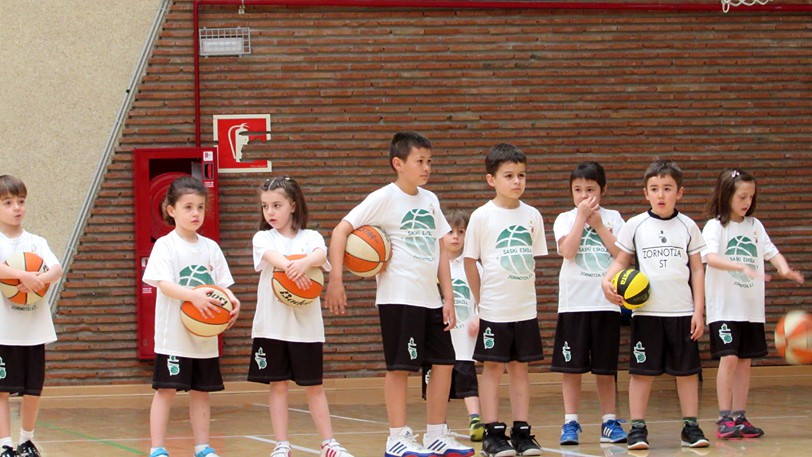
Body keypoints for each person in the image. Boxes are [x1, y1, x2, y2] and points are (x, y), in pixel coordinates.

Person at [325, 132, 473, 457]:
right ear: (398, 163)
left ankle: (436, 434)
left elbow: (440, 252)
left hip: (430, 300)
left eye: (429, 161)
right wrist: (336, 279)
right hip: (398, 298)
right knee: (400, 368)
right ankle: (396, 437)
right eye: (420, 161)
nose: (426, 167)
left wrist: (448, 298)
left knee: (445, 363)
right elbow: (341, 230)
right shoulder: (384, 198)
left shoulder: (431, 199)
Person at [602, 159, 710, 451]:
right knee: (641, 373)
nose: (661, 194)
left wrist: (699, 311)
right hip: (647, 313)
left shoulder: (689, 226)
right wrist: (605, 282)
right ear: (645, 193)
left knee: (687, 372)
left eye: (667, 188)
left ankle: (690, 426)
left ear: (680, 193)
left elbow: (698, 269)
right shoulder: (636, 225)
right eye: (654, 189)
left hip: (682, 312)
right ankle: (637, 427)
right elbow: (621, 261)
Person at [248, 176, 354, 457]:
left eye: (277, 205)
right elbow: (271, 257)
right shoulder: (263, 237)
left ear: (293, 205)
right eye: (265, 206)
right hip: (271, 327)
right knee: (278, 386)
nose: (270, 212)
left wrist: (305, 262)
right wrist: (291, 266)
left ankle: (329, 443)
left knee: (314, 387)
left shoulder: (311, 238)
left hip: (306, 328)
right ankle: (282, 444)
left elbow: (321, 254)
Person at [702, 168, 804, 440]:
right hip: (724, 307)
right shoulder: (715, 226)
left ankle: (740, 416)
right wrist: (739, 265)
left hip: (751, 309)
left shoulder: (755, 225)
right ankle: (724, 418)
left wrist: (783, 269)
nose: (747, 202)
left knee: (745, 362)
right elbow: (709, 257)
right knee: (730, 358)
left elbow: (771, 252)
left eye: (751, 196)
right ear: (727, 196)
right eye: (742, 196)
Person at [142, 176, 240, 457]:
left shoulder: (211, 247)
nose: (195, 213)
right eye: (188, 207)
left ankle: (203, 447)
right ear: (171, 210)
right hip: (174, 336)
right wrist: (193, 295)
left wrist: (233, 302)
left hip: (204, 336)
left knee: (201, 392)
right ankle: (157, 449)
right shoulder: (166, 245)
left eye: (200, 206)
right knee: (166, 391)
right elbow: (163, 284)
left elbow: (223, 287)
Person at [463, 143, 547, 457]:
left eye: (521, 175)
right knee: (493, 369)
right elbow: (470, 261)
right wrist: (480, 300)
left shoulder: (533, 216)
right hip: (494, 308)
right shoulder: (482, 216)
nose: (516, 182)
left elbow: (532, 260)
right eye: (509, 175)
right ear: (491, 180)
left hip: (525, 308)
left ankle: (522, 431)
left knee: (521, 369)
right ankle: (492, 432)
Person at [551, 162, 627, 446]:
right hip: (573, 305)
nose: (584, 196)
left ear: (603, 191)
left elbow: (622, 254)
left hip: (606, 304)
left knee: (605, 369)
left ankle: (609, 420)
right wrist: (581, 219)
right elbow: (567, 252)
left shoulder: (615, 218)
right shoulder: (564, 218)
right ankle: (571, 422)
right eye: (578, 190)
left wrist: (598, 225)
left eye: (590, 190)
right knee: (571, 369)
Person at [0, 175, 63, 457]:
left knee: (32, 388)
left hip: (33, 328)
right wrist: (23, 275)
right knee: (1, 389)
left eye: (21, 201)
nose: (17, 208)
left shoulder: (37, 242)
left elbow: (56, 269)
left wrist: (39, 279)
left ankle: (27, 440)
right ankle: (4, 444)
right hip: (3, 328)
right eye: (8, 203)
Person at [421, 209, 485, 442]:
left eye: (461, 232)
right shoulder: (432, 265)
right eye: (450, 231)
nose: (456, 237)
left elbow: (483, 295)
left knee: (468, 380)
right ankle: (439, 425)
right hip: (438, 335)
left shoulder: (473, 266)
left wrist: (479, 315)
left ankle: (475, 419)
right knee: (437, 381)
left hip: (464, 336)